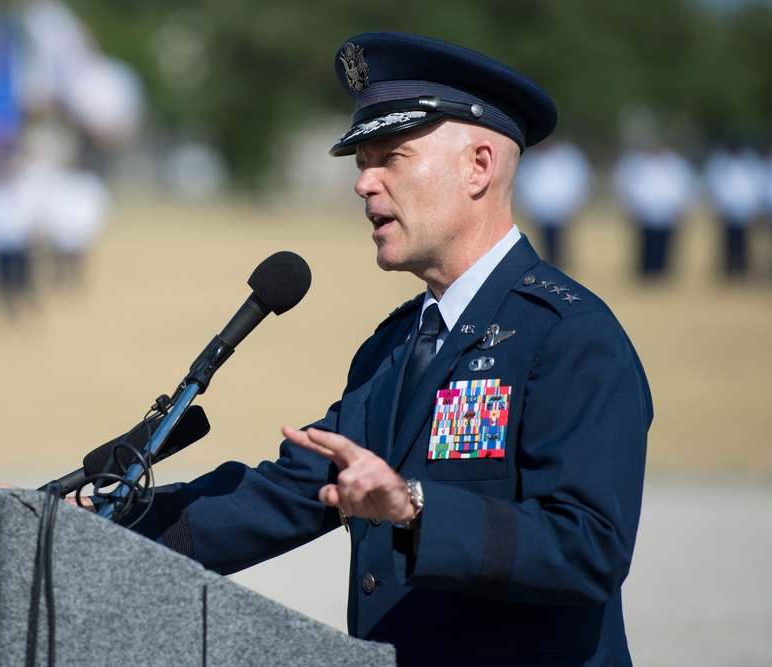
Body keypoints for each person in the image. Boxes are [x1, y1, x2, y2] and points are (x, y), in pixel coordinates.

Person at [100, 33, 652, 666]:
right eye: (361, 161)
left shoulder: (569, 337)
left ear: (478, 167)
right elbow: (289, 492)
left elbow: (588, 549)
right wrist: (93, 532)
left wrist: (417, 509)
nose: (364, 184)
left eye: (390, 156)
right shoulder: (397, 344)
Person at [611, 139, 696, 279]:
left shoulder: (676, 164)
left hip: (668, 213)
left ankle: (663, 274)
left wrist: (684, 208)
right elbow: (622, 185)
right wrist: (628, 208)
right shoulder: (636, 163)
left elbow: (688, 186)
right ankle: (646, 274)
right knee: (646, 246)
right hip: (643, 212)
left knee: (666, 246)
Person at [513, 137, 593, 267]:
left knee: (561, 242)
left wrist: (575, 203)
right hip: (540, 210)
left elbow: (579, 179)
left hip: (562, 208)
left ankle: (561, 265)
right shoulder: (532, 160)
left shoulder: (568, 157)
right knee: (544, 242)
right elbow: (523, 184)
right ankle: (547, 264)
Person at [702, 142, 766, 278]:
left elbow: (758, 184)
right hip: (726, 209)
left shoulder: (751, 162)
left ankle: (743, 269)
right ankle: (728, 269)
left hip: (746, 209)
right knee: (727, 241)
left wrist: (756, 207)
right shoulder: (721, 162)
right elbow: (713, 184)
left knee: (744, 242)